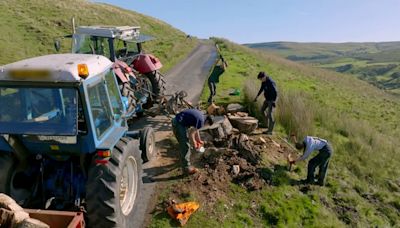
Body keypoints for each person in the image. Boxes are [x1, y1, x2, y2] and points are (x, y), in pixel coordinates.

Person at [171, 109, 213, 175]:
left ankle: (184, 161)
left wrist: (198, 140)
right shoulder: (201, 121)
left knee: (185, 145)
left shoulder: (202, 116)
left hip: (180, 122)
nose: (206, 126)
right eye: (207, 125)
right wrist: (195, 145)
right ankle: (186, 169)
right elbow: (191, 134)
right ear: (207, 121)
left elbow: (196, 130)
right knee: (185, 146)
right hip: (178, 124)